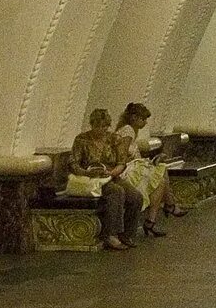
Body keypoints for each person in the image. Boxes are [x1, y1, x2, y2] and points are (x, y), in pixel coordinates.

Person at [69, 107, 146, 249]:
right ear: (92, 125)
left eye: (105, 126)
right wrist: (86, 172)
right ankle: (111, 234)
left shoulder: (113, 139)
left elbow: (121, 162)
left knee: (136, 197)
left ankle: (127, 234)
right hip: (90, 179)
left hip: (110, 175)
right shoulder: (82, 140)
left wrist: (112, 173)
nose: (102, 130)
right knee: (116, 192)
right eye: (98, 126)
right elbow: (73, 163)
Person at [116, 102, 177, 225]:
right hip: (126, 171)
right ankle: (165, 209)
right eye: (143, 119)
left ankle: (159, 213)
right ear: (134, 118)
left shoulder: (129, 130)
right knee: (160, 178)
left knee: (161, 173)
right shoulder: (128, 131)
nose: (145, 122)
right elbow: (122, 154)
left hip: (131, 167)